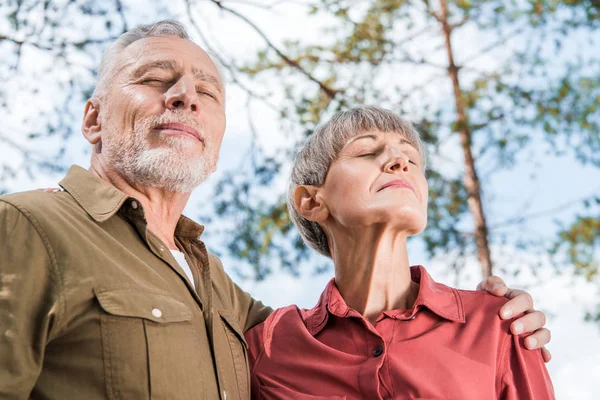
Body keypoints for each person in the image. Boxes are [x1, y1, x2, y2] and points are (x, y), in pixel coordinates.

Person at [0, 21, 550, 400]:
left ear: (215, 138)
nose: (186, 96)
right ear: (92, 120)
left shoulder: (228, 298)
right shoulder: (29, 227)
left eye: (207, 92)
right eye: (152, 79)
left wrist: (508, 312)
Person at [245, 107, 555, 399]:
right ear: (312, 202)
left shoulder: (499, 323)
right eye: (367, 152)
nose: (399, 161)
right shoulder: (270, 345)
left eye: (411, 158)